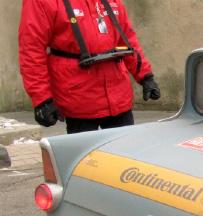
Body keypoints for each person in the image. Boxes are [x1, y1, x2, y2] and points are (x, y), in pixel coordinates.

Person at [19, 0, 161, 134]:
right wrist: (42, 100)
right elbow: (32, 49)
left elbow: (126, 39)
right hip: (78, 99)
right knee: (86, 158)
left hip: (118, 96)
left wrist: (145, 76)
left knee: (125, 154)